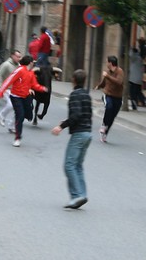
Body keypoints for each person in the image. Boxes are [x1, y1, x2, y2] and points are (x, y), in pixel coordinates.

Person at [51, 69, 92, 209]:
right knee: (78, 166)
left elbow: (76, 115)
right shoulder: (87, 95)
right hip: (87, 133)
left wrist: (61, 126)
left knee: (69, 165)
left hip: (79, 134)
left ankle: (77, 195)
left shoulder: (74, 95)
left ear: (74, 80)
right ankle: (82, 194)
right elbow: (84, 114)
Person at [0, 55, 48, 147]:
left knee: (27, 115)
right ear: (30, 63)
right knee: (20, 115)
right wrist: (0, 93)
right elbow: (8, 80)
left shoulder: (31, 73)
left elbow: (34, 85)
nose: (34, 64)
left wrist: (42, 88)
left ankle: (14, 123)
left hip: (25, 96)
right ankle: (17, 138)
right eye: (33, 62)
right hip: (15, 96)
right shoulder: (19, 70)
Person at [95, 55, 124, 143]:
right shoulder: (107, 72)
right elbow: (104, 82)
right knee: (109, 107)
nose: (106, 64)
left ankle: (105, 134)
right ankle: (104, 125)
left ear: (110, 63)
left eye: (107, 62)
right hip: (108, 95)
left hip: (118, 97)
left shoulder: (120, 72)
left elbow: (119, 82)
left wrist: (107, 76)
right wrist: (98, 86)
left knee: (112, 117)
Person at [0, 50, 22, 133]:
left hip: (16, 90)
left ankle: (11, 125)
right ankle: (2, 115)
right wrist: (0, 88)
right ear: (12, 56)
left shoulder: (19, 66)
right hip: (6, 88)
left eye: (19, 57)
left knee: (19, 109)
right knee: (10, 105)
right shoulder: (6, 64)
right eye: (17, 56)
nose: (18, 58)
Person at [129, 40, 146, 111]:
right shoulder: (140, 57)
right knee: (138, 91)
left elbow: (130, 54)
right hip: (139, 78)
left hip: (133, 78)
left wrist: (131, 48)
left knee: (132, 92)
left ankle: (134, 105)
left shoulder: (134, 57)